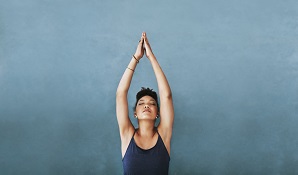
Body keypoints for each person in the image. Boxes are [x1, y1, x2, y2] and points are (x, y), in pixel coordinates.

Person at [116, 32, 174, 175]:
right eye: (141, 103)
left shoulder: (164, 134)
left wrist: (150, 56)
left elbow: (166, 96)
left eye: (152, 103)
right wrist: (136, 57)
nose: (146, 105)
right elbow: (120, 94)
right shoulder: (127, 134)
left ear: (158, 113)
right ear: (135, 113)